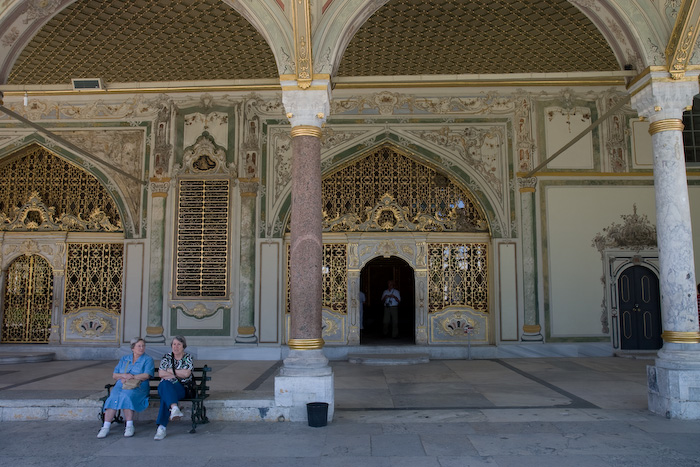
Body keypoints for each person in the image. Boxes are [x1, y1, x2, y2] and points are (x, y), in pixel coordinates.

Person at [97, 337, 154, 438]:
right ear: (132, 348)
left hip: (138, 386)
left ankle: (129, 425)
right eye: (139, 346)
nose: (141, 348)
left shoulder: (147, 359)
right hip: (121, 385)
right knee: (112, 398)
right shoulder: (124, 359)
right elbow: (115, 375)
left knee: (127, 395)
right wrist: (123, 376)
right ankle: (105, 427)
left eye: (143, 346)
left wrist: (131, 377)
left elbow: (146, 375)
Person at [154, 335, 193, 440]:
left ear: (183, 346)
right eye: (174, 344)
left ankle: (162, 427)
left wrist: (171, 371)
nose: (176, 347)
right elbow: (161, 374)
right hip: (166, 386)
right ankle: (174, 408)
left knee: (165, 393)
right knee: (165, 385)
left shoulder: (187, 357)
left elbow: (186, 374)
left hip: (180, 388)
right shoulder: (167, 357)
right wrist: (177, 373)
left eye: (179, 344)